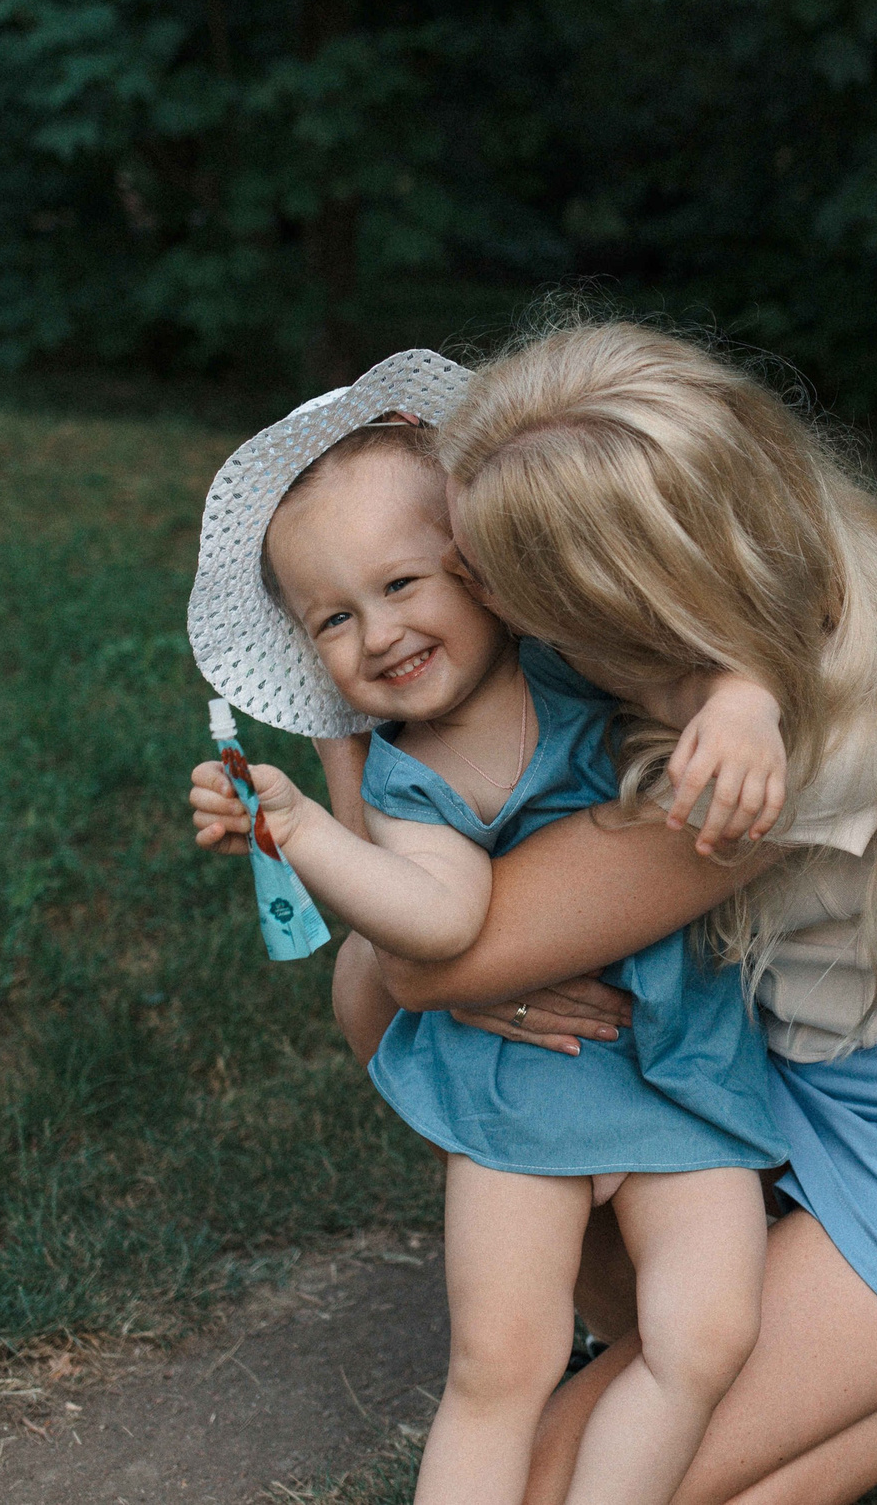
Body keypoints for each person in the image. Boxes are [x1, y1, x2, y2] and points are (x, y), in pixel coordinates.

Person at [327, 320, 877, 1505]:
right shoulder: (753, 588)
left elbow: (423, 966)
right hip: (777, 1072)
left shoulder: (779, 760)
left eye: (487, 582)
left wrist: (449, 943)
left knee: (584, 1490)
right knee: (376, 985)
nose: (475, 610)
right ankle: (678, 1341)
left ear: (618, 609)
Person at [185, 364, 803, 1505]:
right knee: (499, 1365)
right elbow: (438, 917)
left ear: (480, 562)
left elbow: (707, 655)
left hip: (682, 1064)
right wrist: (305, 829)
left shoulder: (586, 662)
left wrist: (743, 701)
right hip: (522, 1084)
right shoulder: (412, 778)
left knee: (705, 1338)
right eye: (332, 618)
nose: (378, 634)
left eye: (402, 581)